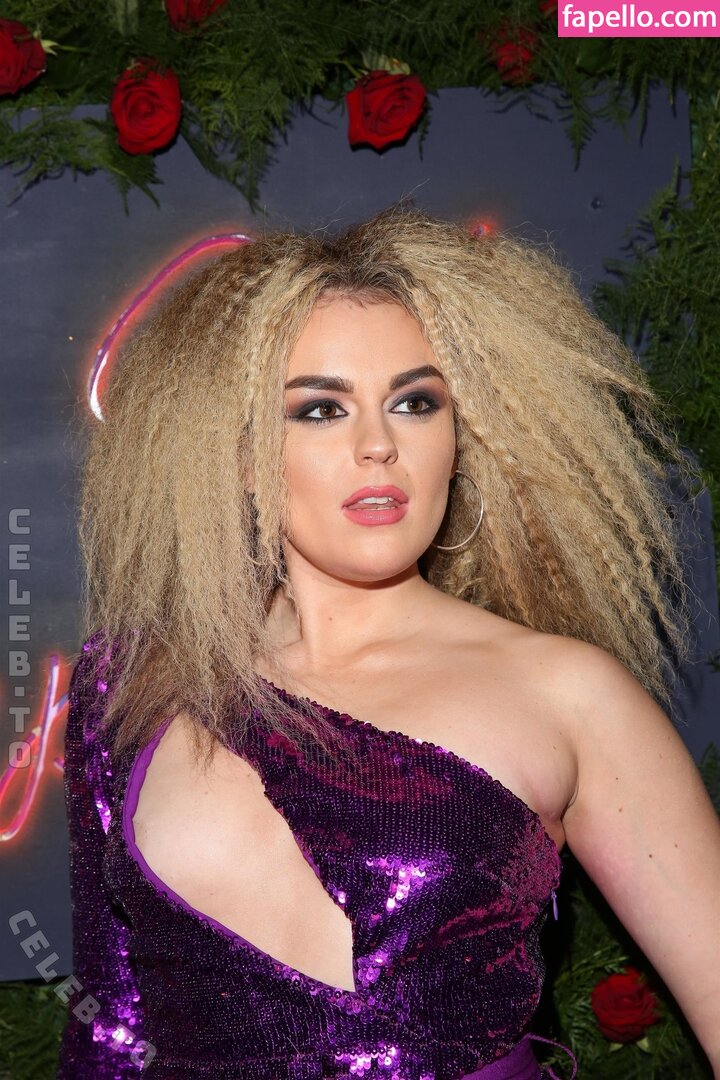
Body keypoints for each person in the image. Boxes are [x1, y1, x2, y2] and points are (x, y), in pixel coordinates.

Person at [57, 204, 720, 1079]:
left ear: (460, 439)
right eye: (320, 410)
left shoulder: (571, 696)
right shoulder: (133, 686)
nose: (378, 446)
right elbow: (107, 1033)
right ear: (239, 454)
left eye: (414, 403)